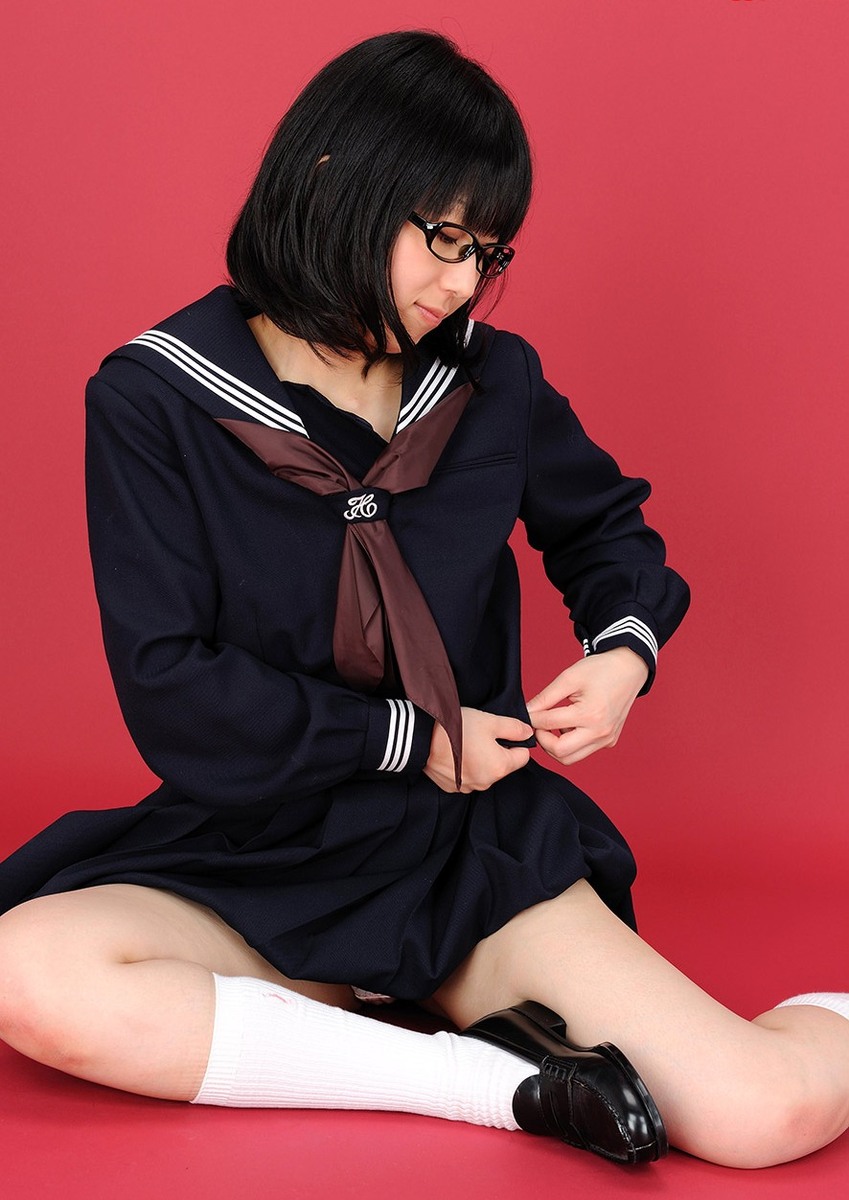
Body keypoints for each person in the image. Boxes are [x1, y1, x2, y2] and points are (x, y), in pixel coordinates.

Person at [0, 29, 847, 1170]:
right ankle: (499, 1083)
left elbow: (607, 531)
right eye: (443, 239)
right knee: (26, 974)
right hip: (256, 847)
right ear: (332, 182)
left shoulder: (490, 382)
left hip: (465, 850)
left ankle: (431, 1016)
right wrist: (408, 738)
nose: (459, 285)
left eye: (486, 254)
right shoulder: (156, 401)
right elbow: (172, 684)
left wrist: (622, 655)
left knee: (764, 1114)